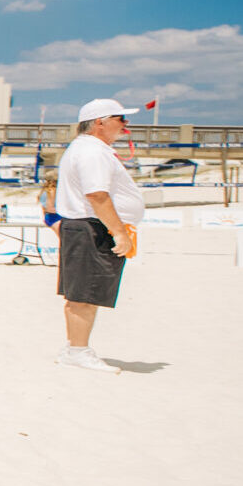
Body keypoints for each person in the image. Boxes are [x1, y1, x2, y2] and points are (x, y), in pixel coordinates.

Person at [53, 98, 146, 373]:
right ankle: (78, 350)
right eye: (120, 118)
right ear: (100, 122)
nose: (125, 124)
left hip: (86, 226)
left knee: (83, 293)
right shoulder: (92, 151)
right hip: (91, 227)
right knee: (85, 295)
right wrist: (119, 232)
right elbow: (97, 194)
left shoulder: (88, 149)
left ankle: (74, 347)